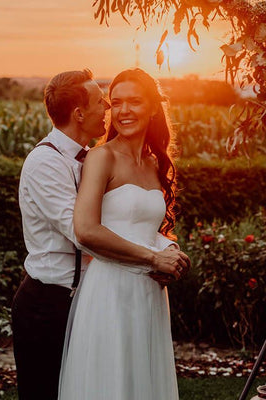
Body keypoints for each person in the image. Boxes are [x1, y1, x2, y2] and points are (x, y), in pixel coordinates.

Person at [12, 69, 189, 400]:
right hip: (50, 301)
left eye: (127, 102)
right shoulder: (47, 163)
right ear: (79, 114)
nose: (111, 110)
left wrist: (169, 247)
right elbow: (85, 232)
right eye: (105, 103)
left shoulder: (101, 158)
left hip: (102, 290)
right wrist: (153, 257)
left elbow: (129, 220)